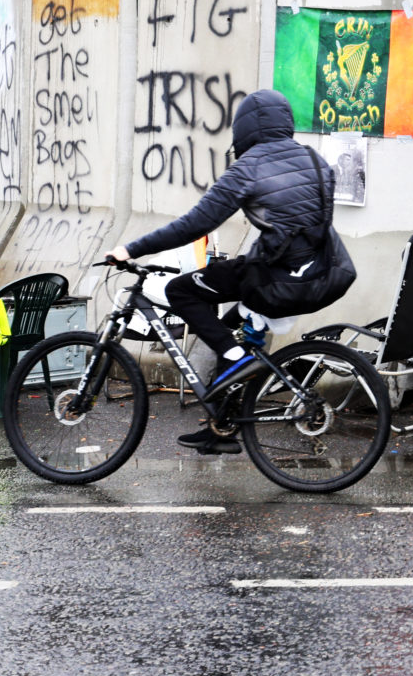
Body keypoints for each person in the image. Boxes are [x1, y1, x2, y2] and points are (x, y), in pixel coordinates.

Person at [105, 89, 334, 455]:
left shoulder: (250, 166)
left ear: (243, 128)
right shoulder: (316, 160)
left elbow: (195, 223)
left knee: (183, 292)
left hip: (272, 275)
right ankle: (221, 427)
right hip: (318, 274)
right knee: (224, 330)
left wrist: (130, 249)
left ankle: (235, 360)